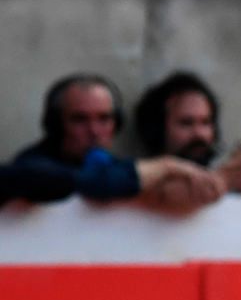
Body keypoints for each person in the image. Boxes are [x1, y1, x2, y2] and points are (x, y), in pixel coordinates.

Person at [7, 73, 223, 209]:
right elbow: (93, 183)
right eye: (80, 119)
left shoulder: (112, 165)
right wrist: (166, 165)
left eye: (104, 119)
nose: (94, 131)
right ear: (56, 125)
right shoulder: (30, 167)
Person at [134, 70, 241, 193]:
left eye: (205, 122)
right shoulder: (137, 185)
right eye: (186, 123)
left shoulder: (225, 186)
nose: (199, 133)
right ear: (157, 129)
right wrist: (223, 180)